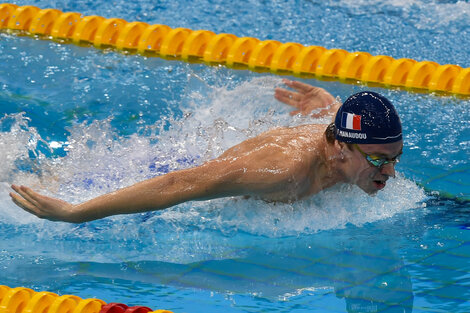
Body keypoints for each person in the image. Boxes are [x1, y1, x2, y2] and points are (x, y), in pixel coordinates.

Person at [9, 79, 403, 223]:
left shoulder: (353, 151)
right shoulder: (281, 172)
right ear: (338, 150)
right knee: (45, 184)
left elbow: (342, 127)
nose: (389, 172)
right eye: (378, 161)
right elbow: (183, 182)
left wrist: (329, 103)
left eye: (394, 158)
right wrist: (77, 213)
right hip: (163, 169)